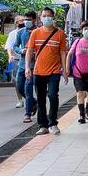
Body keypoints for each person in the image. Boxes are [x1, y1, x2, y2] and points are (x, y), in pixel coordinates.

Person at [26, 7, 68, 135]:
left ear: (53, 17)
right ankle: (43, 125)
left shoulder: (60, 34)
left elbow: (62, 53)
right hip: (38, 71)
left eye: (49, 16)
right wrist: (27, 67)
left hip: (54, 71)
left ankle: (53, 123)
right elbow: (29, 50)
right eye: (44, 16)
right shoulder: (35, 33)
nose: (46, 18)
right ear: (40, 18)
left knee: (53, 96)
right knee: (41, 99)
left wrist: (65, 70)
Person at [67, 20, 88, 123]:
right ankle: (82, 115)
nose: (87, 31)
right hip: (78, 73)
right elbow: (69, 54)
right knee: (80, 93)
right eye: (85, 29)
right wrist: (67, 68)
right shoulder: (77, 42)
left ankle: (87, 112)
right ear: (82, 31)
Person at [15, 10, 38, 121]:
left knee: (28, 88)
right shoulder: (21, 32)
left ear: (34, 20)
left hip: (33, 65)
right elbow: (15, 46)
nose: (26, 22)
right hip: (22, 64)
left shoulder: (38, 32)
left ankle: (27, 114)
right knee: (20, 88)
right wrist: (21, 50)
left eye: (29, 20)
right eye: (25, 20)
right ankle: (33, 102)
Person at [5, 16, 24, 102]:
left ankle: (30, 100)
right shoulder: (12, 34)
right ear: (16, 23)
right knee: (16, 81)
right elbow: (9, 46)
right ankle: (20, 100)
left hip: (27, 59)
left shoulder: (29, 32)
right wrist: (10, 56)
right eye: (21, 21)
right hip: (17, 59)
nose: (23, 22)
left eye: (24, 20)